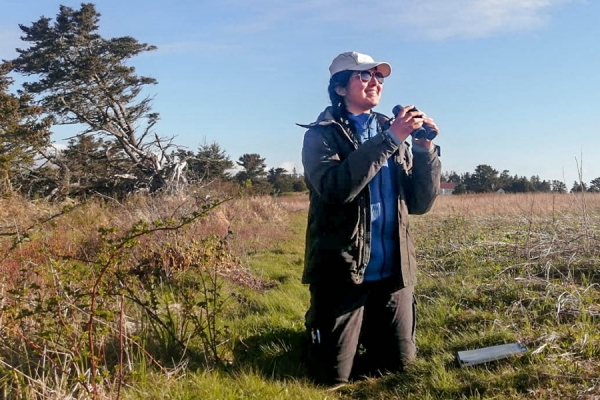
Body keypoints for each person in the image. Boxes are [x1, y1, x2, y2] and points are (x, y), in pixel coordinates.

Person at [299, 51, 442, 384]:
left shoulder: (393, 133)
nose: (374, 82)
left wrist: (423, 150)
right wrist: (391, 138)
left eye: (378, 77)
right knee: (331, 378)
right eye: (363, 76)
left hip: (392, 273)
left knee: (398, 368)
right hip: (342, 273)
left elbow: (419, 204)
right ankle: (323, 332)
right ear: (338, 88)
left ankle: (366, 332)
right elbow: (335, 190)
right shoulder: (321, 134)